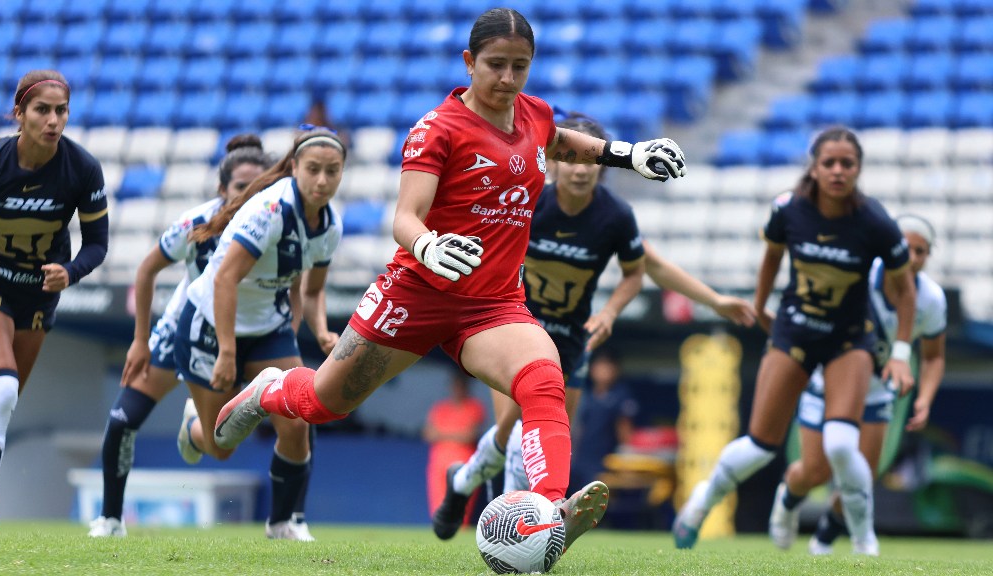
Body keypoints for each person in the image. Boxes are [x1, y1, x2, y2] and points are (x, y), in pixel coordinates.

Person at [212, 8, 687, 558]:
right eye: (497, 66)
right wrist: (429, 245)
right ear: (469, 62)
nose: (509, 79)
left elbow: (558, 141)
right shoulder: (437, 129)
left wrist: (629, 154)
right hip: (415, 294)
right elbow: (404, 217)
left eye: (521, 67)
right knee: (325, 403)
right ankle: (269, 387)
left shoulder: (532, 114)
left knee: (543, 380)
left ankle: (549, 513)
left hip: (492, 305)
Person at [430, 112, 755, 538]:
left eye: (590, 161)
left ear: (602, 165)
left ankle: (464, 481)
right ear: (555, 160)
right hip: (516, 326)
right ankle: (513, 532)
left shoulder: (614, 217)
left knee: (551, 439)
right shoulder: (527, 206)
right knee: (522, 429)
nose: (581, 169)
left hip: (571, 338)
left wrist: (617, 312)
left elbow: (644, 270)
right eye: (572, 159)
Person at [672, 126, 917, 556]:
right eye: (830, 163)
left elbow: (906, 289)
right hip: (795, 331)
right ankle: (701, 504)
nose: (838, 171)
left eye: (848, 164)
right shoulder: (788, 209)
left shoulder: (876, 222)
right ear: (814, 167)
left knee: (842, 443)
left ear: (859, 169)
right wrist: (761, 306)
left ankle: (864, 543)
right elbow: (770, 258)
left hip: (848, 339)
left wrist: (899, 353)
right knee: (760, 445)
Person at [88, 135, 272, 538]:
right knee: (122, 419)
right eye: (241, 186)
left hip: (231, 341)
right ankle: (110, 519)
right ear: (222, 189)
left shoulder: (273, 225)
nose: (249, 194)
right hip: (179, 331)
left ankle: (193, 428)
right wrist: (140, 340)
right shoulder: (196, 225)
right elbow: (146, 270)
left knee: (222, 448)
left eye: (259, 186)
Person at [174, 126, 346, 542]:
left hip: (268, 327)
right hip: (211, 327)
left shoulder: (330, 225)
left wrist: (322, 330)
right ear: (294, 168)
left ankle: (282, 523)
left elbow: (313, 289)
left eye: (332, 171)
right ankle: (193, 425)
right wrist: (228, 353)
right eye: (313, 170)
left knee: (301, 416)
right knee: (221, 447)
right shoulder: (271, 210)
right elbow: (224, 280)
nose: (322, 180)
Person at [0, 70, 108, 534]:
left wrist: (70, 272)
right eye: (42, 110)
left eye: (61, 111)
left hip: (36, 296)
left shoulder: (82, 169)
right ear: (19, 114)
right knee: (2, 387)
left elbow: (96, 244)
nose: (53, 120)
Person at [769, 214, 946, 554]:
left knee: (862, 474)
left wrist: (925, 397)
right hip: (829, 385)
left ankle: (825, 540)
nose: (910, 257)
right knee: (815, 471)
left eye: (920, 251)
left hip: (878, 392)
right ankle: (787, 501)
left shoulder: (932, 300)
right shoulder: (857, 278)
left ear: (928, 256)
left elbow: (934, 356)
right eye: (904, 247)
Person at [569, 350, 638, 492]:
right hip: (578, 461)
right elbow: (576, 428)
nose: (603, 371)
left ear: (616, 370)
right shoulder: (584, 395)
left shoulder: (621, 396)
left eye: (608, 366)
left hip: (604, 463)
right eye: (600, 366)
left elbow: (625, 434)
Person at [423, 370, 486, 520]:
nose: (458, 389)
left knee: (460, 506)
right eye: (455, 386)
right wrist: (456, 434)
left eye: (461, 386)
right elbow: (428, 434)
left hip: (463, 462)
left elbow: (470, 436)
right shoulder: (440, 408)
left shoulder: (474, 407)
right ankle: (440, 535)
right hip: (438, 462)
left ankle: (457, 535)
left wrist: (442, 434)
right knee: (438, 504)